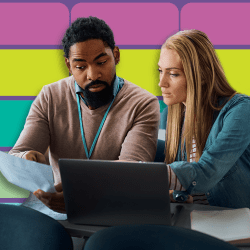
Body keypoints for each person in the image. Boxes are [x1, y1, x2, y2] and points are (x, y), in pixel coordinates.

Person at [9, 17, 160, 213]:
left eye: (102, 62)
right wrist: (26, 158)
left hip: (111, 208)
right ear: (69, 65)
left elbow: (130, 173)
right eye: (81, 67)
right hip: (53, 208)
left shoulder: (143, 103)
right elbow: (17, 155)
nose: (93, 75)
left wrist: (79, 194)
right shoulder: (50, 96)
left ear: (116, 55)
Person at [158, 29, 250, 208]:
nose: (161, 83)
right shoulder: (169, 116)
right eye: (160, 71)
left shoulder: (240, 110)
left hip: (238, 225)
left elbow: (208, 172)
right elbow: (180, 187)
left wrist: (145, 176)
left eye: (173, 73)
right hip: (196, 217)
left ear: (201, 76)